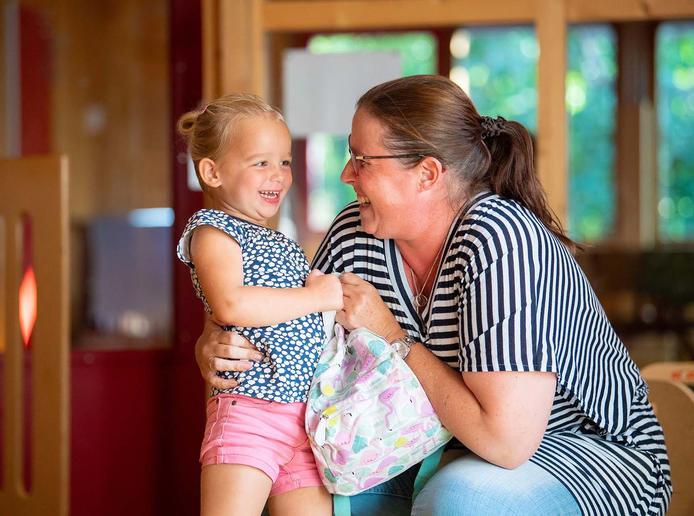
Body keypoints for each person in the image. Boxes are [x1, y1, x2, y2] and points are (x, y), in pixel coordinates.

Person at [194, 76, 672, 515]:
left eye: (362, 159)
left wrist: (391, 335)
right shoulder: (355, 234)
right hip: (425, 447)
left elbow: (506, 443)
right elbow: (285, 323)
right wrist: (213, 344)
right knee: (329, 487)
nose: (345, 174)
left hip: (579, 453)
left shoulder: (501, 239)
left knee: (460, 501)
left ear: (426, 174)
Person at [176, 93, 341, 516]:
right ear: (212, 172)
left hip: (303, 418)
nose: (279, 175)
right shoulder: (213, 233)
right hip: (249, 411)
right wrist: (315, 296)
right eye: (261, 162)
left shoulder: (281, 240)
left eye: (284, 162)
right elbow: (230, 304)